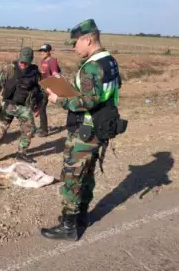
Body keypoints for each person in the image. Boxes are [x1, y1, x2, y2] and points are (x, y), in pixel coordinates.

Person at [40, 19, 124, 240]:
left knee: (73, 177)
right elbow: (102, 94)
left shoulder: (91, 66)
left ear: (88, 39)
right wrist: (70, 86)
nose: (73, 47)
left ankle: (69, 226)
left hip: (85, 130)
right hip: (100, 127)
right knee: (87, 175)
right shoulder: (109, 61)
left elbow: (87, 101)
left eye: (75, 42)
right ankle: (82, 217)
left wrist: (59, 98)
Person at [0, 47, 42, 164]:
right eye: (22, 62)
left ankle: (21, 153)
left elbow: (39, 91)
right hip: (8, 105)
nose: (23, 65)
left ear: (31, 61)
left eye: (26, 62)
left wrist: (38, 107)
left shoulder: (35, 72)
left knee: (29, 130)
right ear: (18, 58)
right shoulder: (8, 69)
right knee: (0, 131)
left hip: (24, 107)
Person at [36, 43, 62, 137]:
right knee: (40, 107)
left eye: (44, 51)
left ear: (49, 51)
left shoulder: (52, 61)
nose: (42, 53)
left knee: (42, 108)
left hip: (49, 88)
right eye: (41, 51)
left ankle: (44, 131)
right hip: (42, 87)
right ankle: (42, 126)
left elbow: (55, 73)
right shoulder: (42, 61)